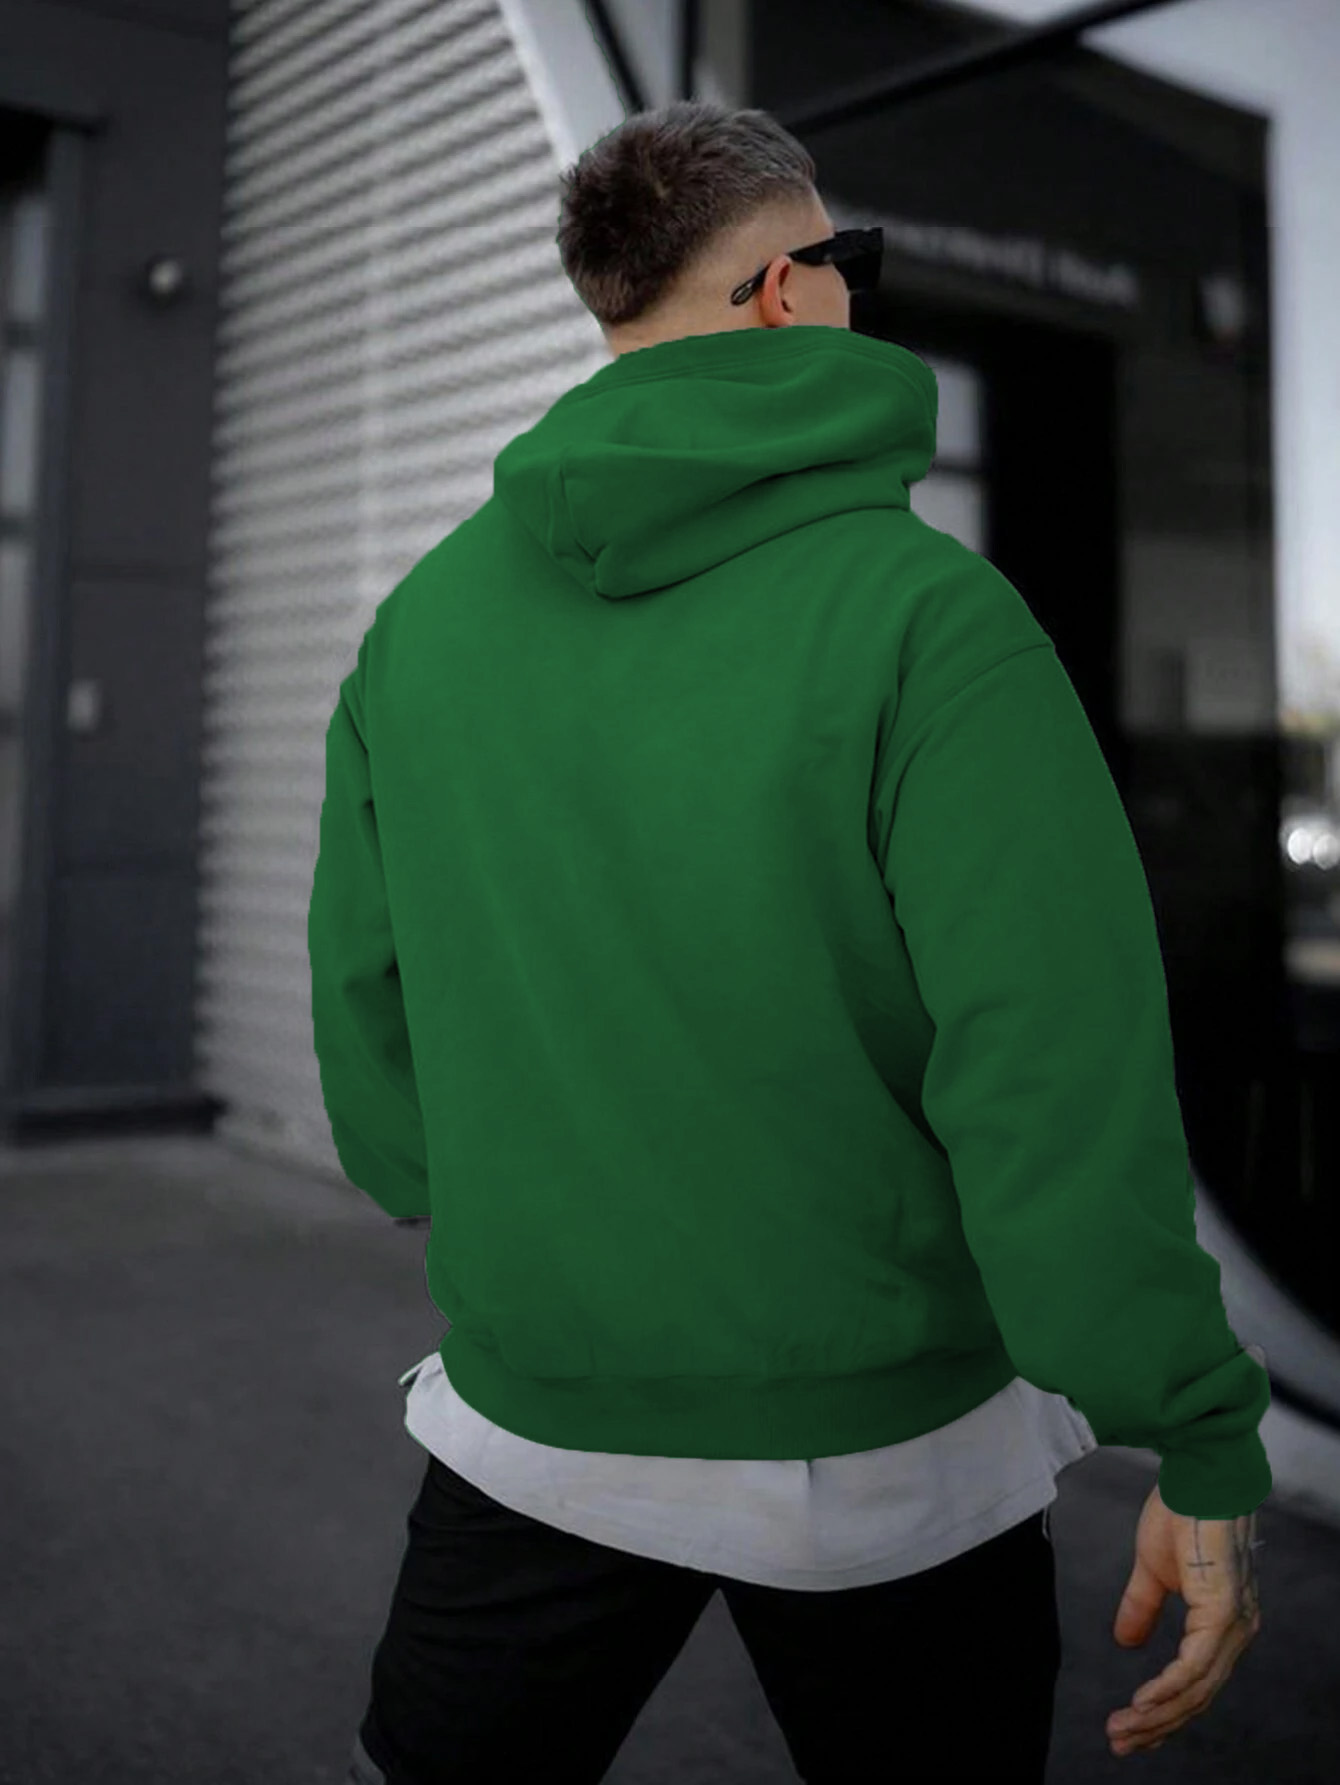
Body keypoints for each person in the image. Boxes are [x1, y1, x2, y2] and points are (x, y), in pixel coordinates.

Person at [308, 100, 1269, 1785]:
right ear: (780, 289)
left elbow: (366, 998)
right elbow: (1052, 1071)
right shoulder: (928, 619)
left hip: (533, 1415)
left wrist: (474, 1197)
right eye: (850, 258)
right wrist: (1192, 1426)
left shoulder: (424, 624)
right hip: (881, 1454)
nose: (855, 289)